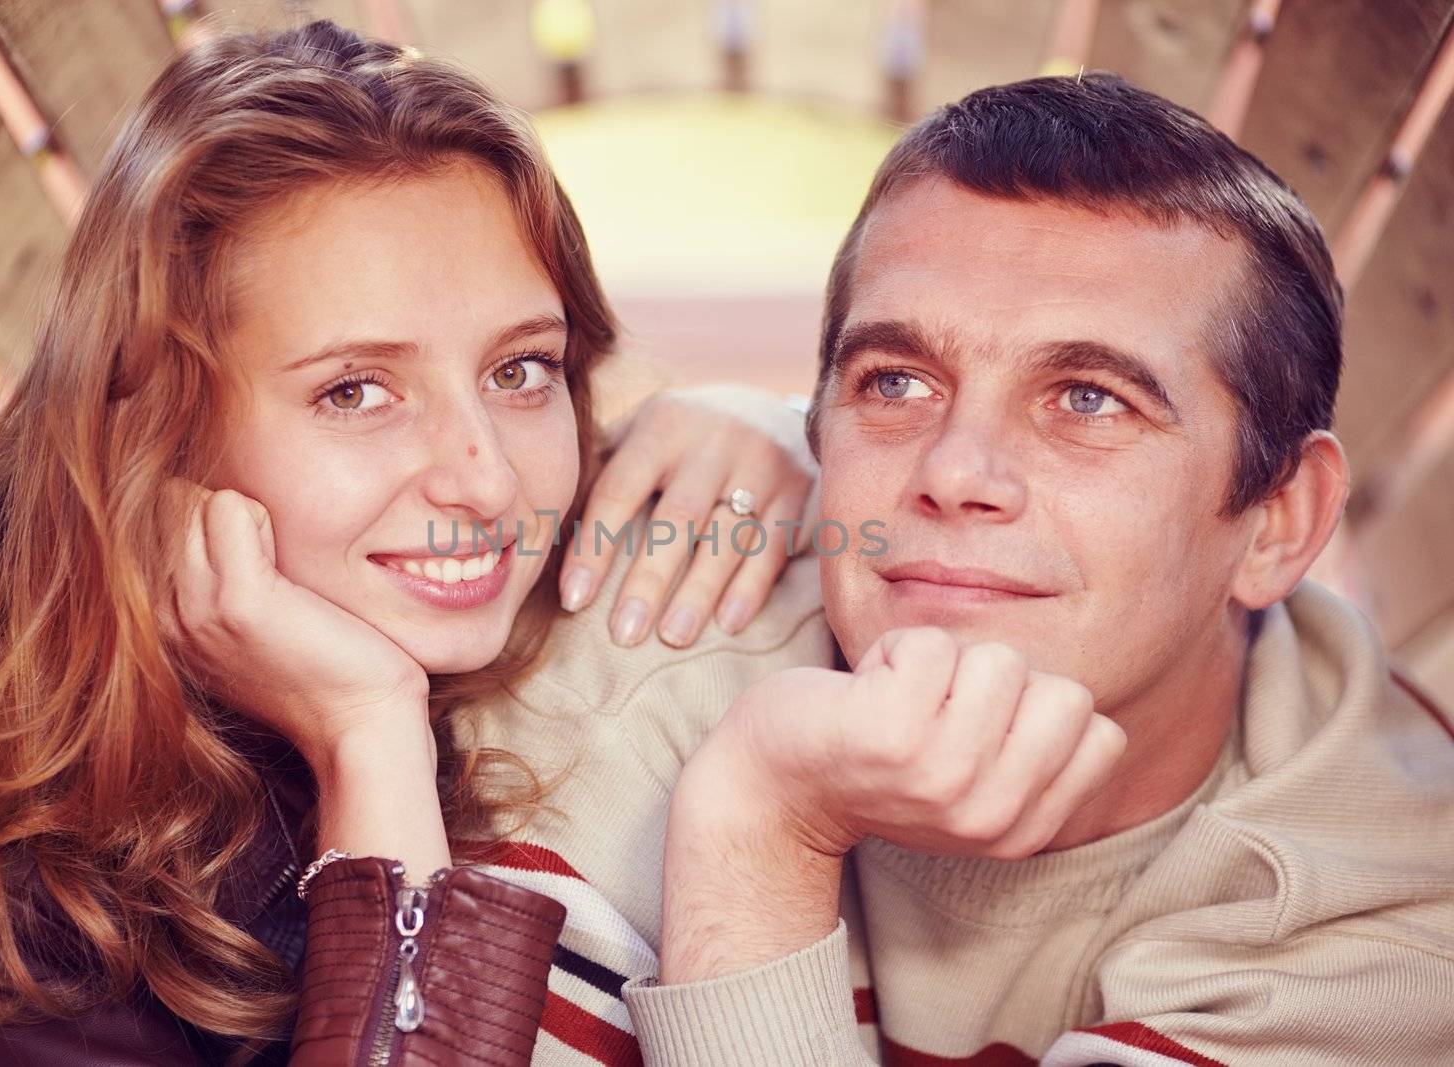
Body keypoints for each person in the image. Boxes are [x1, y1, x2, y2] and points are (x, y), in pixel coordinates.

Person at [0, 21, 824, 1066]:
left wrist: (770, 427)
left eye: (520, 370)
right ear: (157, 428)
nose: (486, 478)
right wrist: (366, 735)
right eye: (355, 391)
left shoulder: (455, 557)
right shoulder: (22, 862)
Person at [614, 73, 1454, 1066]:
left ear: (1276, 521)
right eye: (894, 380)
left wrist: (763, 828)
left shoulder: (1385, 936)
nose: (954, 472)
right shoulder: (661, 624)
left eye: (1090, 400)